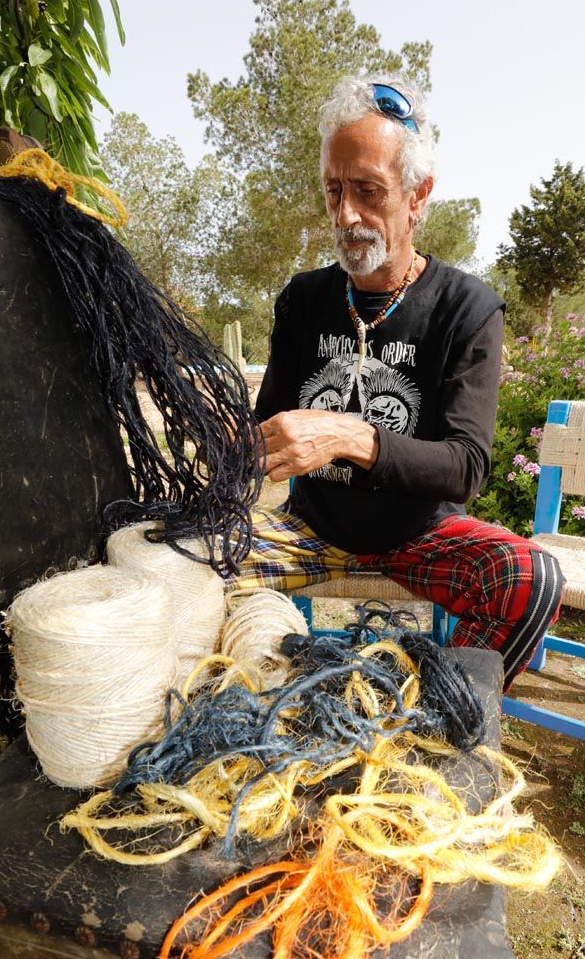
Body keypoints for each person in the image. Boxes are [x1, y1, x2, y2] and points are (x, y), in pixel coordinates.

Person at [237, 75, 563, 689]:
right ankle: (250, 698)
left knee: (529, 578)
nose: (346, 214)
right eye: (334, 191)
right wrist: (236, 452)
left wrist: (351, 436)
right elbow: (269, 427)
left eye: (368, 190)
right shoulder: (303, 301)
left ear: (418, 196)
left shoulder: (467, 308)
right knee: (177, 554)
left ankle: (432, 720)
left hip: (421, 536)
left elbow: (466, 466)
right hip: (310, 530)